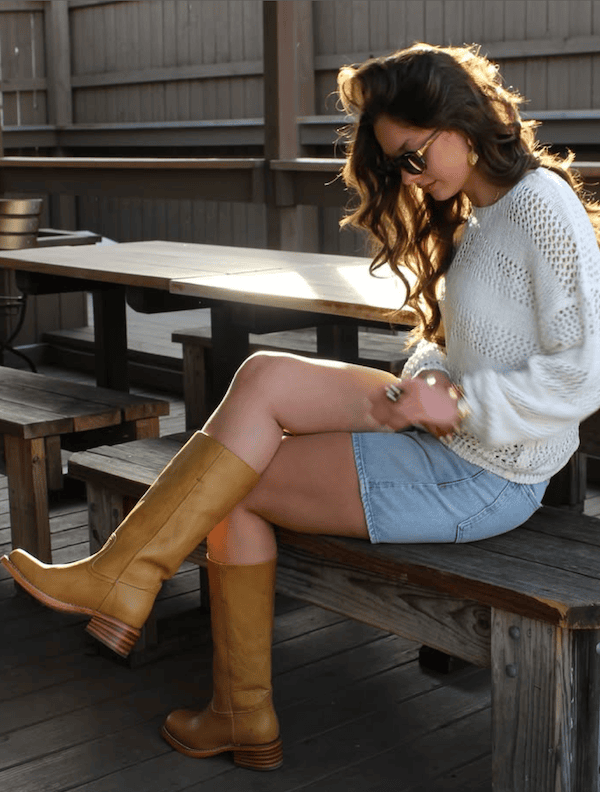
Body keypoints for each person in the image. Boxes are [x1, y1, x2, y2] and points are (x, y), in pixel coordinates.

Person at [3, 41, 600, 772]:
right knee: (262, 377)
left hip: (487, 474)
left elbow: (583, 373)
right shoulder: (478, 212)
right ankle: (129, 581)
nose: (406, 177)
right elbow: (458, 342)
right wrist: (426, 381)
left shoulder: (542, 207)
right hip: (446, 430)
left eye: (412, 157)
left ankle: (231, 702)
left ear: (460, 123)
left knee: (235, 487)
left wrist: (462, 403)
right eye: (395, 166)